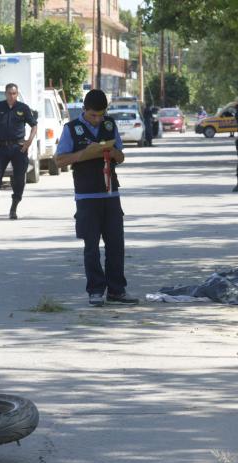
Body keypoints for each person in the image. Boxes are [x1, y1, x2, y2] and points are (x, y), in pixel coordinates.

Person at [53, 89, 138, 307]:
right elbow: (59, 161)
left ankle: (117, 290)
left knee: (116, 245)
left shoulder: (109, 125)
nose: (98, 119)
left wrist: (111, 153)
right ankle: (95, 290)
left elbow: (121, 156)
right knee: (91, 246)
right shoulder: (71, 129)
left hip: (110, 194)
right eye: (93, 115)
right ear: (84, 110)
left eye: (101, 115)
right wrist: (84, 154)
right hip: (86, 195)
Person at [0, 83, 38, 220]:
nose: (11, 96)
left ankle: (13, 209)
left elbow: (34, 125)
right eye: (9, 93)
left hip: (19, 148)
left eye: (14, 93)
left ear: (17, 94)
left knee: (19, 180)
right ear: (5, 94)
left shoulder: (23, 108)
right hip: (1, 147)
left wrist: (29, 142)